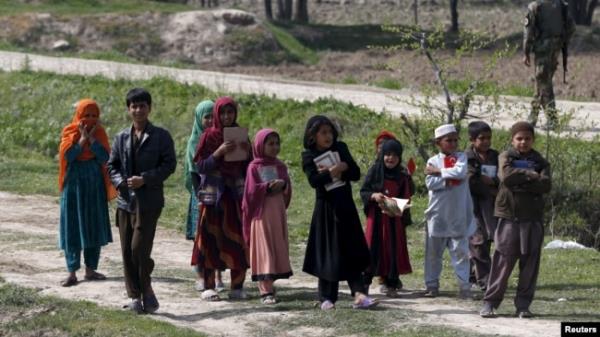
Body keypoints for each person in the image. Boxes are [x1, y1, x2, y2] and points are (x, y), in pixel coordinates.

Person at [107, 88, 176, 314]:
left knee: (139, 250)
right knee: (127, 251)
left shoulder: (161, 136)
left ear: (149, 108)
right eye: (134, 106)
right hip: (125, 202)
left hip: (150, 201)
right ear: (128, 110)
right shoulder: (121, 137)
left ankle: (145, 285)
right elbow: (112, 166)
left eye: (142, 106)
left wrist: (144, 179)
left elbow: (169, 165)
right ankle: (136, 296)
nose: (138, 110)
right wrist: (120, 183)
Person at [301, 115, 377, 310]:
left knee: (351, 248)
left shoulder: (340, 148)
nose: (328, 136)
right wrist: (333, 170)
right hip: (326, 208)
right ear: (313, 136)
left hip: (345, 205)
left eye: (330, 132)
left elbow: (355, 173)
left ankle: (359, 294)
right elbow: (314, 181)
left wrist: (343, 169)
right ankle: (326, 297)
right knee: (329, 251)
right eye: (323, 133)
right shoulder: (308, 155)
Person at [480, 121, 551, 319]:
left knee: (530, 264)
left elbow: (545, 185)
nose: (523, 142)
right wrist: (529, 175)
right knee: (503, 260)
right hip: (509, 218)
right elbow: (506, 177)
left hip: (532, 219)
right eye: (519, 138)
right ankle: (490, 303)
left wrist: (522, 183)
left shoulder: (541, 161)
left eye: (527, 138)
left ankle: (523, 306)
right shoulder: (506, 156)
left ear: (533, 140)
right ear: (512, 140)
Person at [192, 96, 250, 302]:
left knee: (236, 239)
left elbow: (248, 165)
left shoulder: (241, 135)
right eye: (223, 112)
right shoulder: (209, 136)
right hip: (212, 197)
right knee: (209, 240)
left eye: (230, 112)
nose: (226, 116)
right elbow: (200, 166)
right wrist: (218, 153)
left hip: (234, 196)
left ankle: (237, 286)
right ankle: (209, 286)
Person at [58, 99, 116, 287]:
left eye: (94, 116)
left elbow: (105, 157)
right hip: (73, 185)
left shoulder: (99, 133)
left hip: (94, 184)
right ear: (78, 116)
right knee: (72, 226)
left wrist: (91, 139)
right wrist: (82, 139)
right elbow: (68, 156)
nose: (90, 120)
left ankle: (91, 269)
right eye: (86, 116)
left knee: (93, 223)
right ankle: (72, 272)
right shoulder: (70, 131)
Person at [423, 124, 475, 299]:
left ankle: (464, 286)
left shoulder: (461, 157)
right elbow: (430, 183)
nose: (452, 143)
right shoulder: (432, 160)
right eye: (448, 140)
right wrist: (450, 179)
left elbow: (460, 172)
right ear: (439, 143)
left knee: (461, 252)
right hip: (437, 215)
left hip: (458, 214)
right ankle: (431, 285)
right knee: (433, 254)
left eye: (455, 140)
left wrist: (439, 173)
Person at [242, 128, 293, 305]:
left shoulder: (280, 166)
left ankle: (271, 283)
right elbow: (250, 192)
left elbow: (287, 187)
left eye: (277, 143)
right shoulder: (254, 167)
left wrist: (283, 184)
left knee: (276, 246)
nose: (274, 147)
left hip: (277, 213)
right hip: (261, 214)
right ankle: (265, 290)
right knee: (264, 249)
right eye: (270, 144)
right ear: (259, 145)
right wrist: (267, 187)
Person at [360, 139, 414, 298]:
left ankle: (391, 283)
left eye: (395, 156)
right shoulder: (375, 171)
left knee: (392, 249)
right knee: (372, 248)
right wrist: (373, 195)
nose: (391, 158)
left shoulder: (402, 176)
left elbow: (407, 196)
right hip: (375, 219)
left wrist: (396, 207)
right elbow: (364, 191)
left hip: (393, 219)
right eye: (388, 154)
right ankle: (364, 286)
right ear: (382, 154)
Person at [183, 100, 224, 292]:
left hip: (219, 191)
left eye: (212, 116)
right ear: (199, 119)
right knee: (200, 237)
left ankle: (218, 276)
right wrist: (200, 194)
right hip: (200, 193)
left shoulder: (219, 138)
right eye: (206, 117)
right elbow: (193, 171)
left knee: (218, 234)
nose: (209, 121)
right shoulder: (194, 141)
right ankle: (201, 276)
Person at [523, 0, 575, 128]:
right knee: (542, 81)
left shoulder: (535, 6)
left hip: (542, 49)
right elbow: (572, 27)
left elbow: (528, 32)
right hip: (556, 48)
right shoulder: (561, 5)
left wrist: (526, 52)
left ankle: (552, 119)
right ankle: (533, 117)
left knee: (544, 82)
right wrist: (562, 41)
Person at [465, 121, 499, 292]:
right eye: (481, 138)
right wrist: (489, 188)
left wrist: (492, 182)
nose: (486, 141)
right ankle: (485, 280)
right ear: (472, 140)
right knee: (477, 241)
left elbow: (503, 178)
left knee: (486, 240)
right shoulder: (467, 157)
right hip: (472, 206)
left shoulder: (495, 157)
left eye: (488, 138)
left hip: (491, 207)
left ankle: (472, 275)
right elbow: (471, 182)